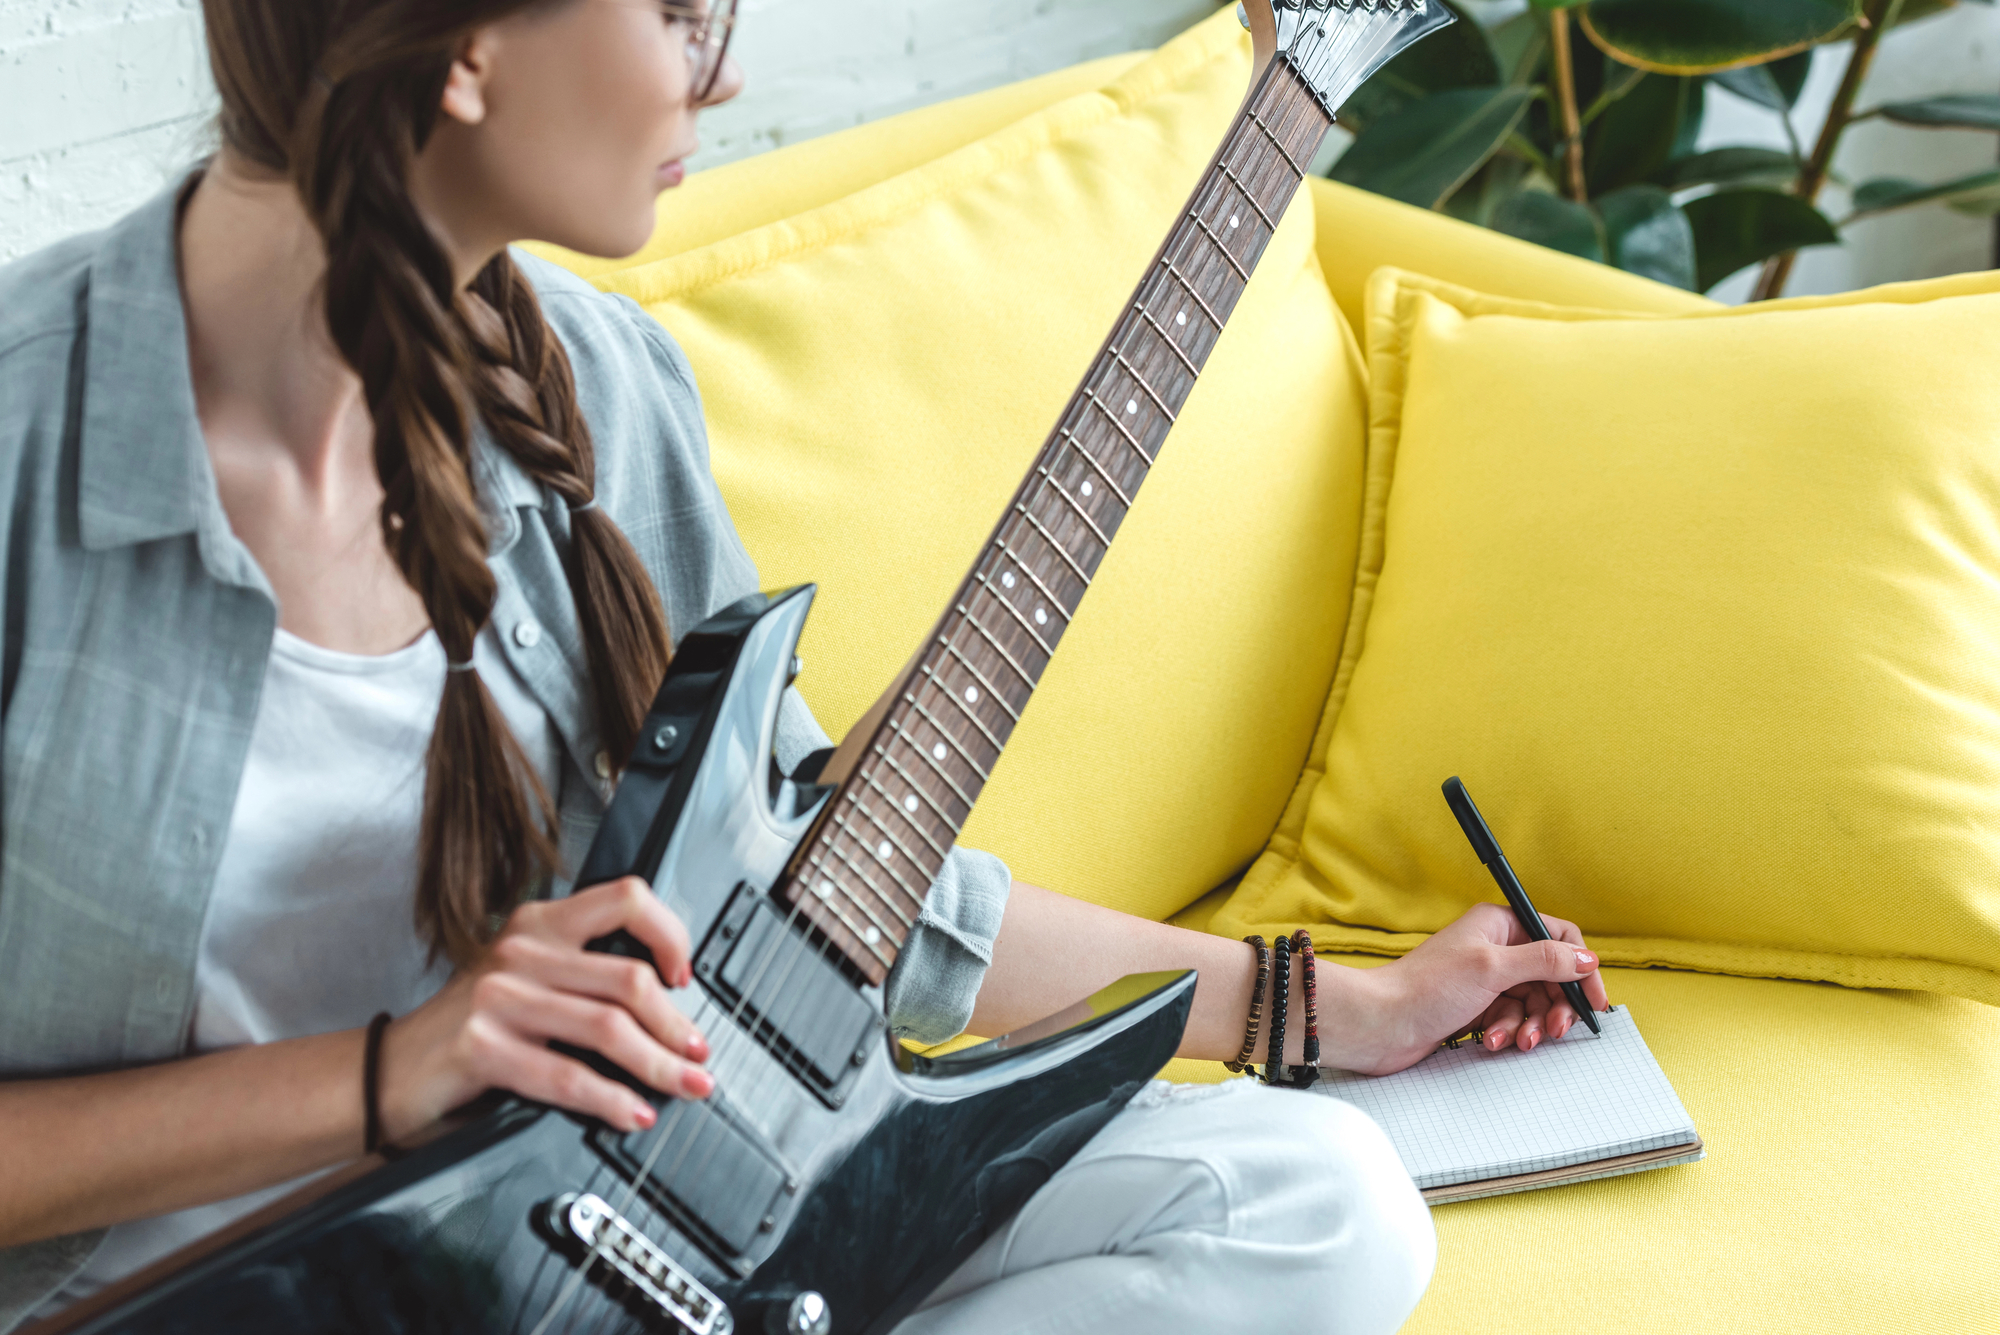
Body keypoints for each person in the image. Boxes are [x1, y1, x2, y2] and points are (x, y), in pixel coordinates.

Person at [0, 2, 1612, 1331]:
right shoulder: (25, 448)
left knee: (1320, 1202)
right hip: (223, 1295)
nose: (727, 71)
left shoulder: (600, 390)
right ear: (468, 53)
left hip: (667, 1219)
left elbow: (809, 899)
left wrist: (1328, 1003)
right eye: (681, 14)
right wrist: (397, 1073)